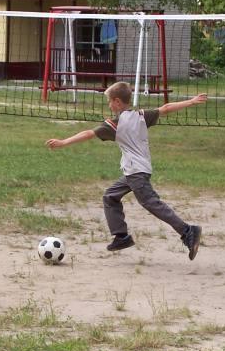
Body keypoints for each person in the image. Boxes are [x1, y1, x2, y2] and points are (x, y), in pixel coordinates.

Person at [46, 82, 207, 260]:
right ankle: (121, 236)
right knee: (110, 197)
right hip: (138, 170)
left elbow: (88, 133)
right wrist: (191, 101)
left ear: (117, 101)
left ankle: (187, 231)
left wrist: (63, 142)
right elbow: (166, 108)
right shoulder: (141, 115)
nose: (109, 105)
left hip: (136, 172)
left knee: (152, 203)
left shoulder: (114, 124)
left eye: (109, 101)